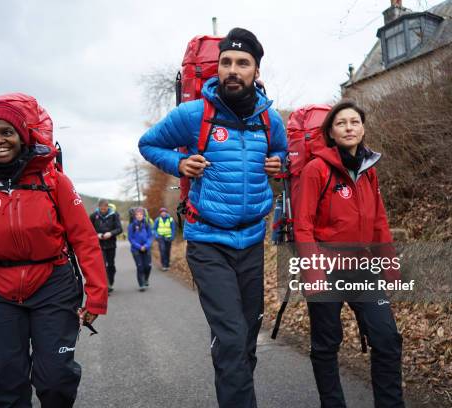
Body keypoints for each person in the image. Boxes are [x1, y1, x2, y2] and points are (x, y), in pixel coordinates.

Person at [139, 28, 287, 408]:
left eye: (242, 63)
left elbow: (286, 157)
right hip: (208, 241)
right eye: (226, 63)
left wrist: (279, 164)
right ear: (216, 69)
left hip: (251, 240)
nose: (232, 70)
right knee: (233, 335)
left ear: (256, 70)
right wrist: (179, 162)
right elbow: (149, 144)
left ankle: (233, 377)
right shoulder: (194, 115)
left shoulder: (270, 119)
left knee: (246, 336)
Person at [0, 96, 108, 408]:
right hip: (0, 292)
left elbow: (85, 240)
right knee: (7, 386)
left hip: (54, 285)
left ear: (23, 134)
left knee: (55, 381)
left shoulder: (53, 181)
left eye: (7, 132)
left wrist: (96, 295)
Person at [294, 100, 404, 407]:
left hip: (363, 267)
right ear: (330, 132)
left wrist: (390, 269)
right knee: (327, 344)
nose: (349, 127)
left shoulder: (369, 170)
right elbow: (302, 226)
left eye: (354, 122)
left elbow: (380, 222)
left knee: (386, 338)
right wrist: (313, 274)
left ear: (363, 128)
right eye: (341, 123)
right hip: (325, 268)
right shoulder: (317, 169)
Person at [90, 198, 123, 292]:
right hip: (99, 244)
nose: (103, 211)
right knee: (102, 265)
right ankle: (106, 285)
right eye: (101, 209)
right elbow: (89, 229)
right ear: (99, 207)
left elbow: (119, 229)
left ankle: (111, 281)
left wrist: (111, 233)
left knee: (111, 265)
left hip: (111, 244)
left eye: (105, 209)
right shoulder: (93, 216)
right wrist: (97, 235)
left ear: (107, 207)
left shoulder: (114, 215)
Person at [127, 207, 153, 291]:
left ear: (143, 215)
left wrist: (146, 245)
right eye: (137, 214)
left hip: (146, 248)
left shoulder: (147, 224)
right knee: (140, 266)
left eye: (141, 214)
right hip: (136, 249)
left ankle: (145, 279)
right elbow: (131, 238)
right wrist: (139, 246)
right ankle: (141, 284)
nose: (139, 216)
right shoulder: (132, 225)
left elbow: (150, 237)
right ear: (135, 216)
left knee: (148, 266)